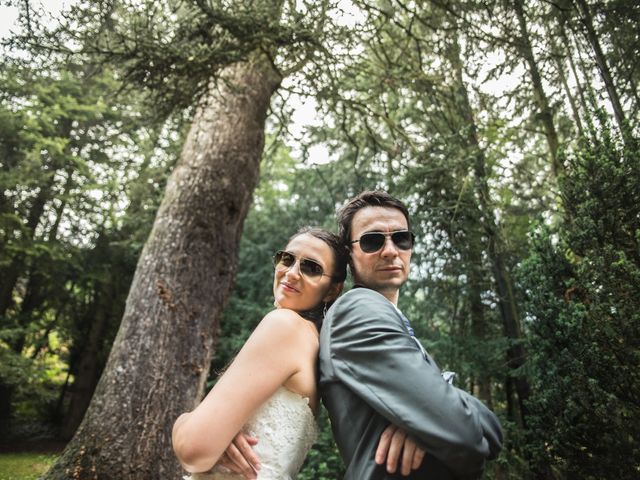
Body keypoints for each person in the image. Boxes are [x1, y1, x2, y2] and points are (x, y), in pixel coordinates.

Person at [319, 190, 503, 479]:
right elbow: (466, 436)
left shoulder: (388, 319)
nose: (391, 250)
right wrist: (439, 419)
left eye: (401, 238)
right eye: (372, 240)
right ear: (348, 253)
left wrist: (428, 421)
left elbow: (492, 431)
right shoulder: (357, 310)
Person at [172, 227, 347, 479]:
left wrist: (182, 422)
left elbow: (193, 449)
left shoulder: (284, 325)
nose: (291, 272)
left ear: (332, 290)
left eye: (311, 268)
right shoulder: (315, 346)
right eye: (287, 259)